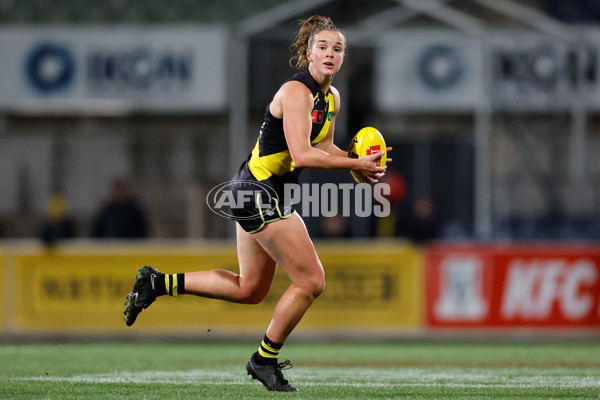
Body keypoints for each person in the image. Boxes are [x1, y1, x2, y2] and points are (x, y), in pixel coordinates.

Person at [123, 15, 389, 392]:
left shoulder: (331, 98)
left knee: (250, 290)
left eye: (338, 48)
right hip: (258, 191)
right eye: (323, 47)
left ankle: (157, 282)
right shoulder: (297, 92)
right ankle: (264, 360)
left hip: (259, 189)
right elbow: (302, 154)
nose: (331, 54)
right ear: (308, 54)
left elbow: (323, 147)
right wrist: (354, 163)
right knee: (312, 281)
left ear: (344, 57)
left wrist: (352, 162)